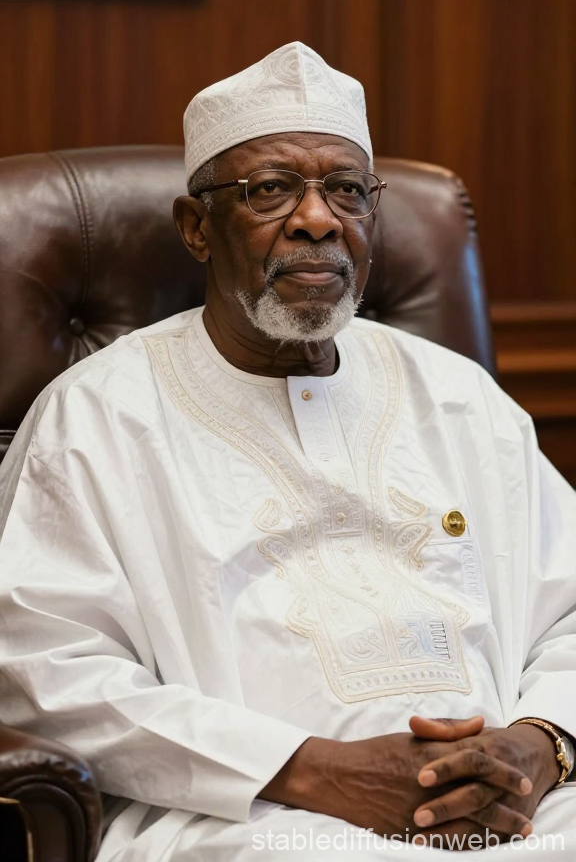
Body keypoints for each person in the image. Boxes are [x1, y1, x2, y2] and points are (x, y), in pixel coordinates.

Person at [0, 42, 574, 861]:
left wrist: (540, 744)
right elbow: (44, 674)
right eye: (269, 190)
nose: (317, 219)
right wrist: (314, 771)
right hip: (252, 818)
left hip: (514, 805)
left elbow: (572, 609)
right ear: (197, 228)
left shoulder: (457, 396)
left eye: (346, 190)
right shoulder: (96, 419)